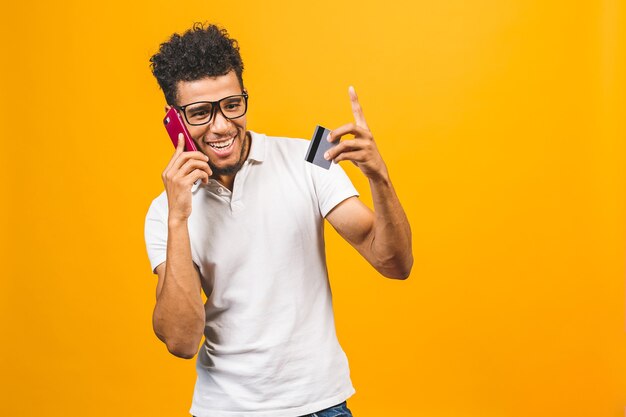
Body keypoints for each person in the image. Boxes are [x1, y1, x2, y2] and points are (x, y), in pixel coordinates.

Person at [144, 22, 413, 417]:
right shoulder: (165, 210)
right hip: (224, 410)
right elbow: (181, 341)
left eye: (232, 105)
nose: (221, 125)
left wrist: (379, 178)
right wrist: (179, 217)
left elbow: (394, 264)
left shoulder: (311, 155)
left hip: (321, 405)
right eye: (201, 113)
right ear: (174, 120)